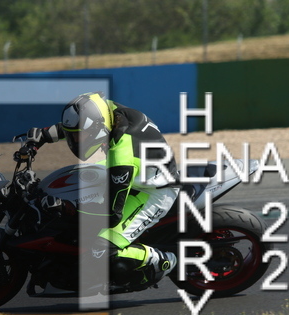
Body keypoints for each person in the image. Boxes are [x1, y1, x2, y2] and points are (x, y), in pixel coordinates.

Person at [20, 92, 179, 293]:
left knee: (101, 249)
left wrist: (67, 208)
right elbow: (81, 123)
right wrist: (43, 135)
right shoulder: (105, 110)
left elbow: (112, 215)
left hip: (154, 192)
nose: (75, 140)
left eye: (79, 136)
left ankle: (166, 260)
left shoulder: (122, 157)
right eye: (73, 135)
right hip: (137, 171)